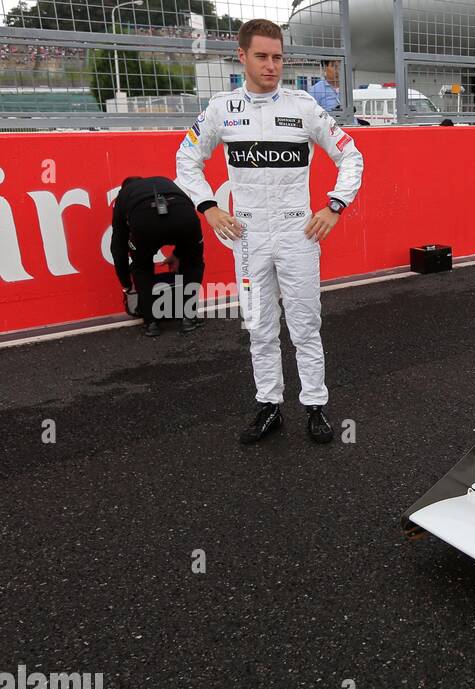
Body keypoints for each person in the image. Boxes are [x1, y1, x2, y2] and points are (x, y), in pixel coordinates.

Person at [176, 18, 363, 445]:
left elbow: (351, 155)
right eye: (262, 56)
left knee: (304, 324)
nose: (271, 65)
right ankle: (270, 406)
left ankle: (315, 406)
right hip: (248, 236)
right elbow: (186, 159)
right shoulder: (221, 109)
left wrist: (334, 206)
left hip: (299, 233)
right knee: (259, 326)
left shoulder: (303, 107)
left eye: (277, 57)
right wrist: (208, 207)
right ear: (242, 56)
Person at [110, 175, 205, 337]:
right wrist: (179, 254)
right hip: (184, 216)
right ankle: (188, 317)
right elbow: (183, 215)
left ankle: (151, 323)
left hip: (145, 222)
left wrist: (126, 285)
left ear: (122, 190)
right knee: (193, 262)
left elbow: (118, 249)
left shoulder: (124, 196)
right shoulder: (164, 181)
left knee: (141, 267)